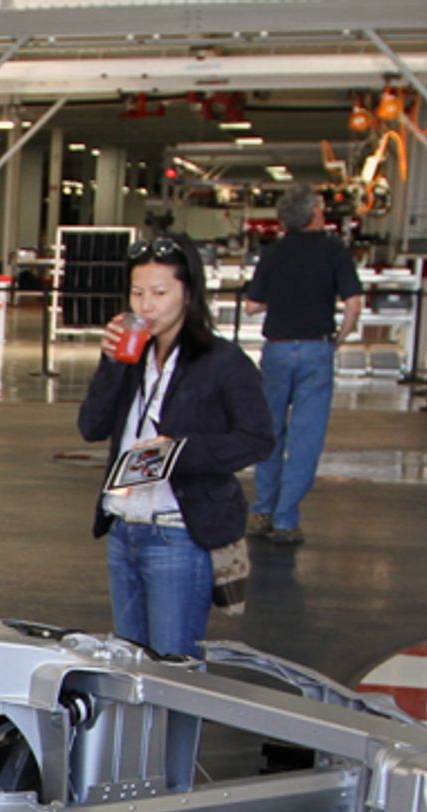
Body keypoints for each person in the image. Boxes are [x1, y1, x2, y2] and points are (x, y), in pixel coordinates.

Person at [77, 237, 272, 661]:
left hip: (178, 534)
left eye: (159, 293)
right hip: (124, 527)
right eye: (137, 292)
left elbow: (257, 438)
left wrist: (179, 452)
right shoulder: (134, 356)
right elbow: (91, 427)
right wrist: (111, 363)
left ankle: (177, 732)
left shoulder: (223, 361)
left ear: (188, 293)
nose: (145, 305)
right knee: (129, 669)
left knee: (172, 672)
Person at [243, 185, 363, 546]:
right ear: (313, 213)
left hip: (277, 350)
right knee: (306, 437)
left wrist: (281, 299)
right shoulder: (334, 250)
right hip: (315, 349)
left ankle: (262, 509)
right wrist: (337, 340)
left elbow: (252, 305)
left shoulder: (273, 253)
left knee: (271, 431)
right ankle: (285, 519)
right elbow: (353, 305)